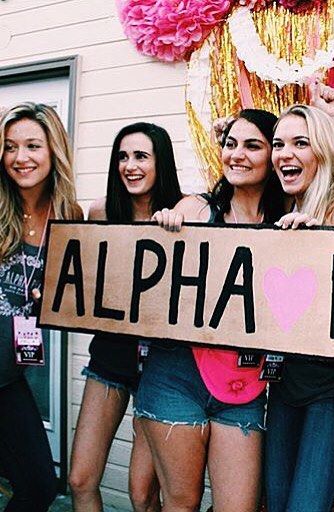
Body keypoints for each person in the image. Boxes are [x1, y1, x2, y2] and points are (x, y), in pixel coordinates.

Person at [137, 108, 285, 512]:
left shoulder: (285, 222)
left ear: (273, 155)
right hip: (176, 373)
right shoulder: (197, 209)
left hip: (244, 382)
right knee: (182, 502)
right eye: (231, 144)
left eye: (252, 146)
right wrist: (165, 226)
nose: (237, 154)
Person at [69, 122, 182, 512]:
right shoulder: (101, 211)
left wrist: (177, 224)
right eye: (122, 156)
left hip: (162, 366)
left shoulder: (184, 211)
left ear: (160, 162)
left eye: (141, 156)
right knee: (80, 479)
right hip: (111, 355)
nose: (130, 166)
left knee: (142, 494)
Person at [265, 102, 334, 512]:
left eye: (300, 143)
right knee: (276, 502)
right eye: (278, 144)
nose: (284, 154)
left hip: (332, 393)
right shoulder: (285, 210)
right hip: (285, 386)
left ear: (323, 151)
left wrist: (321, 241)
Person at [0, 102, 82, 511]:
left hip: (8, 374)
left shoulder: (69, 216)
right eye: (10, 146)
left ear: (53, 151)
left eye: (32, 145)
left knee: (38, 486)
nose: (20, 157)